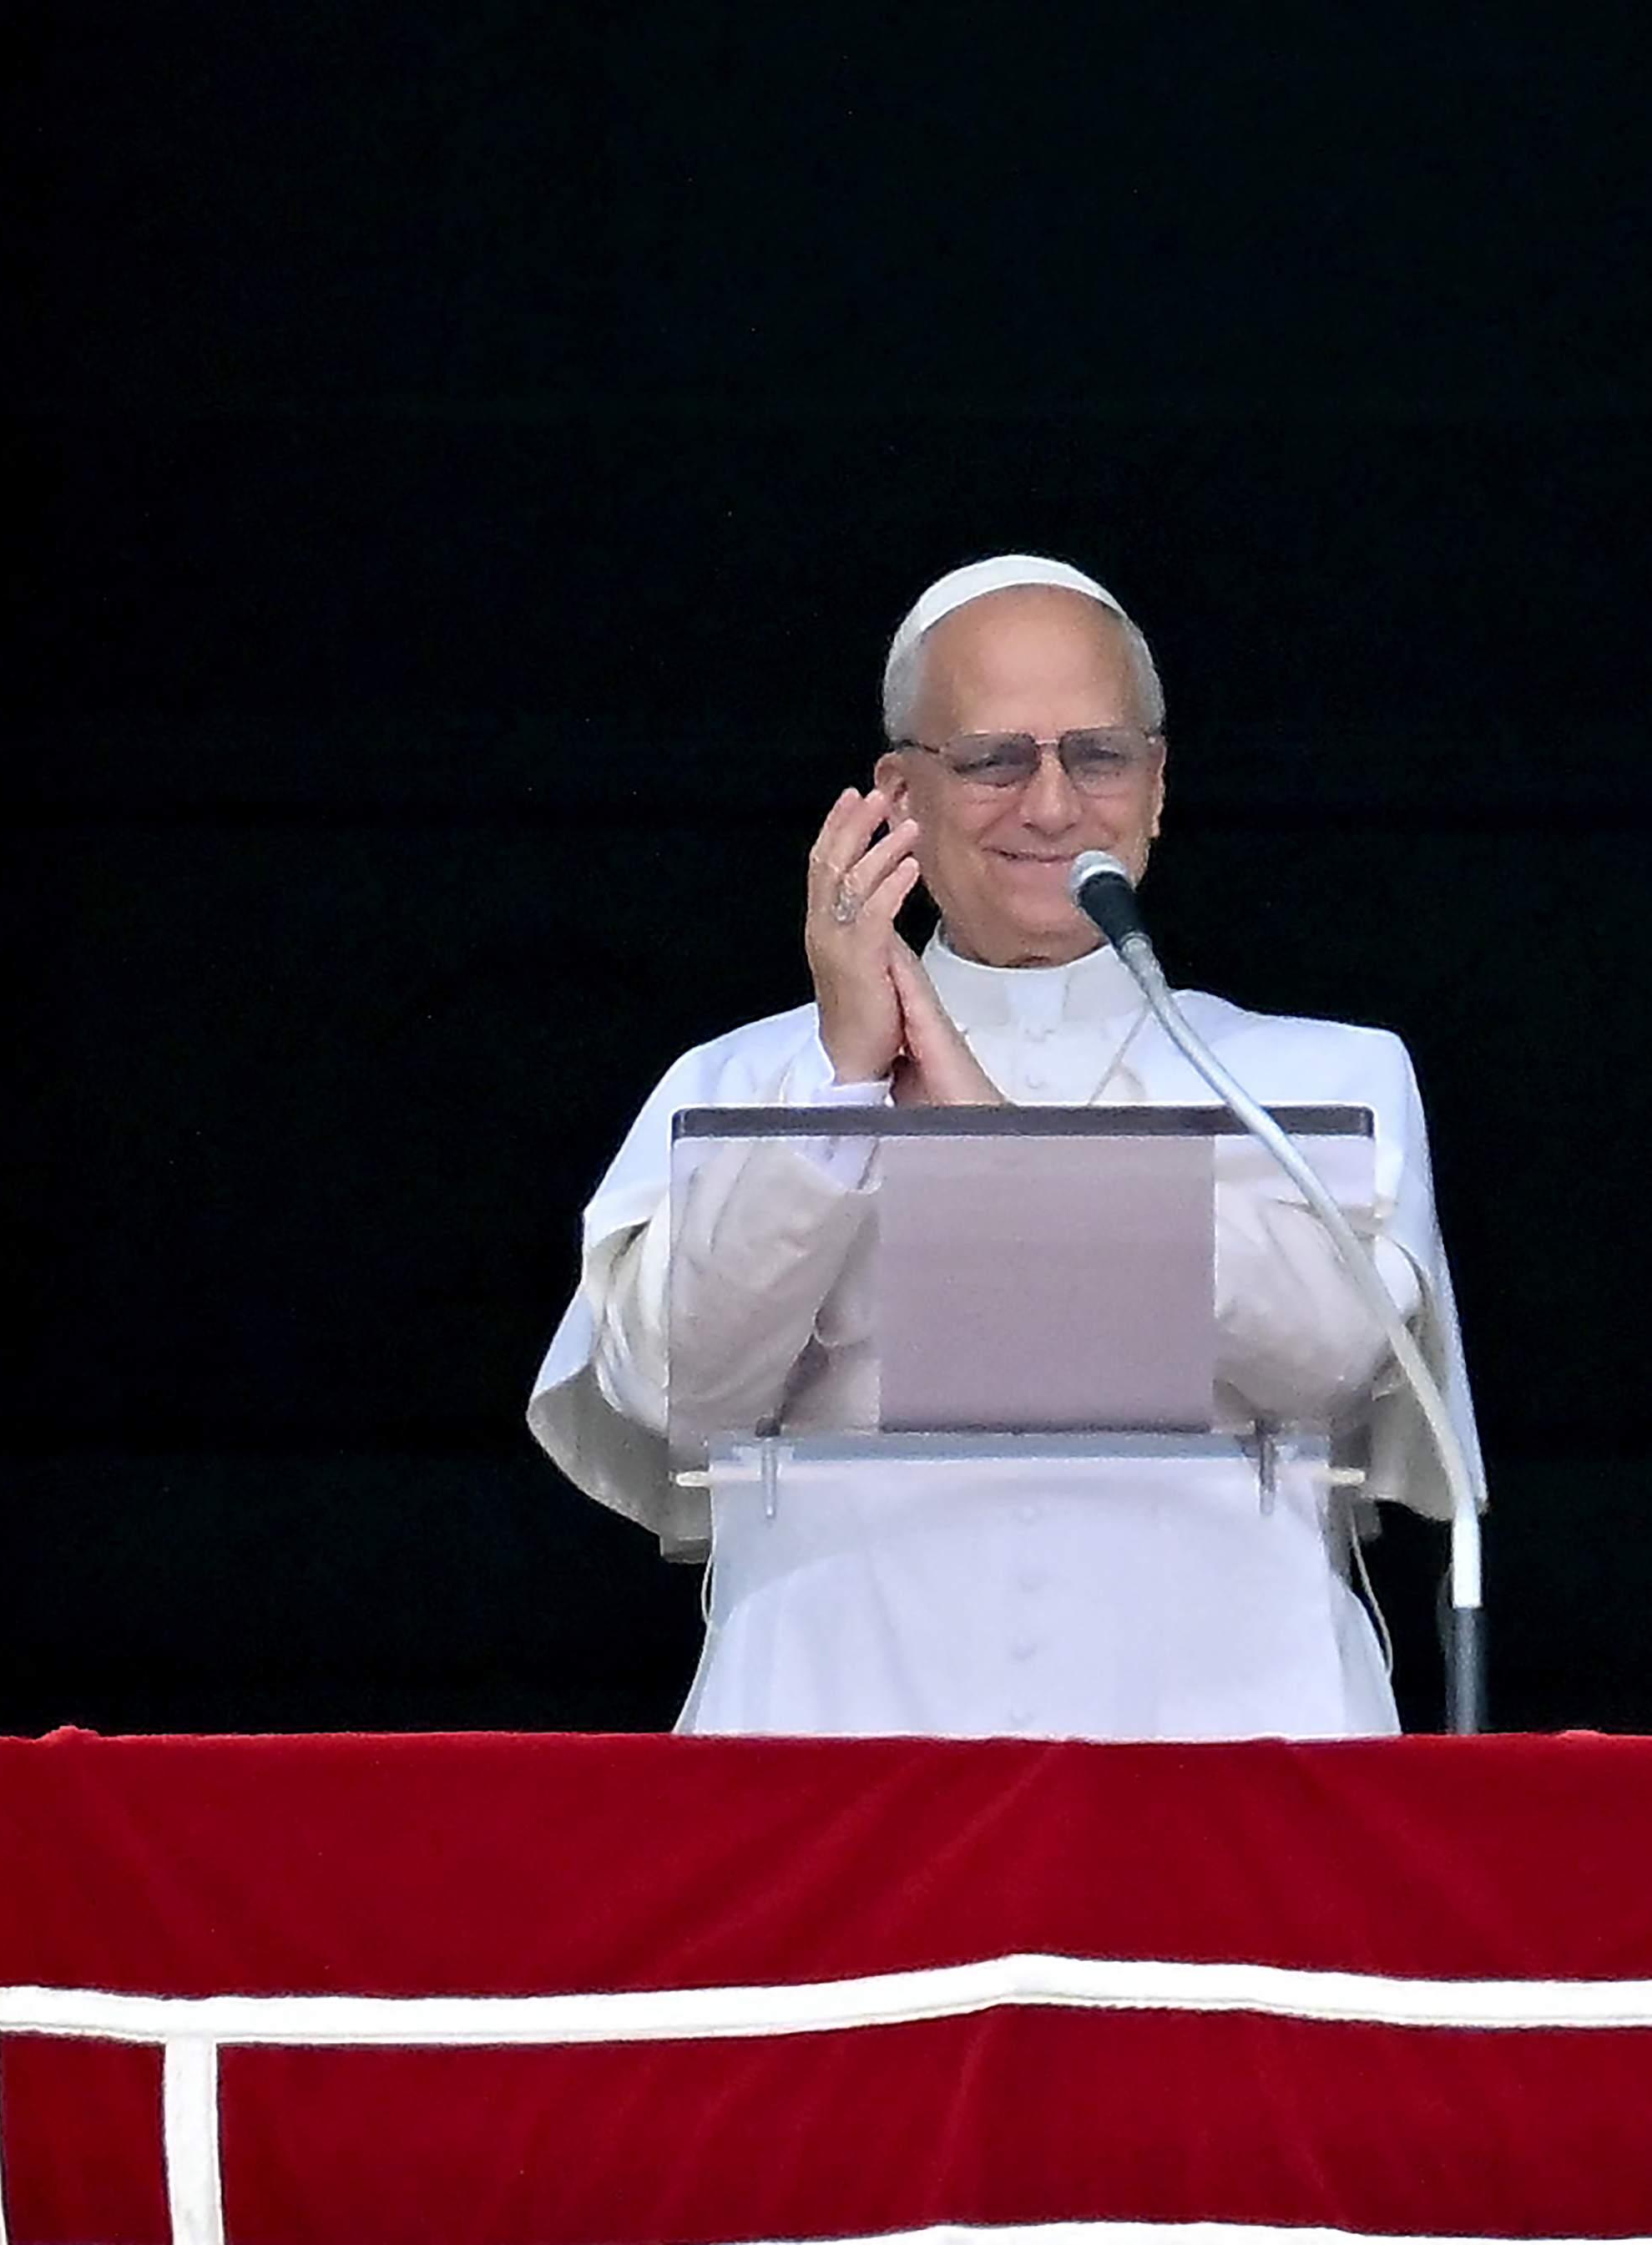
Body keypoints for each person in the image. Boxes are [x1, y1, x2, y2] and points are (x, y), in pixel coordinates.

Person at [528, 554, 1477, 1737]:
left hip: (1233, 1751)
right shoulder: (744, 1081)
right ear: (898, 792)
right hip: (836, 1752)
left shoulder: (1319, 1079)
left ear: (1158, 782)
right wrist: (842, 1093)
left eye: (1099, 754)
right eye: (992, 758)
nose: (1050, 805)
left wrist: (989, 1141)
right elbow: (678, 1385)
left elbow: (1331, 1357)